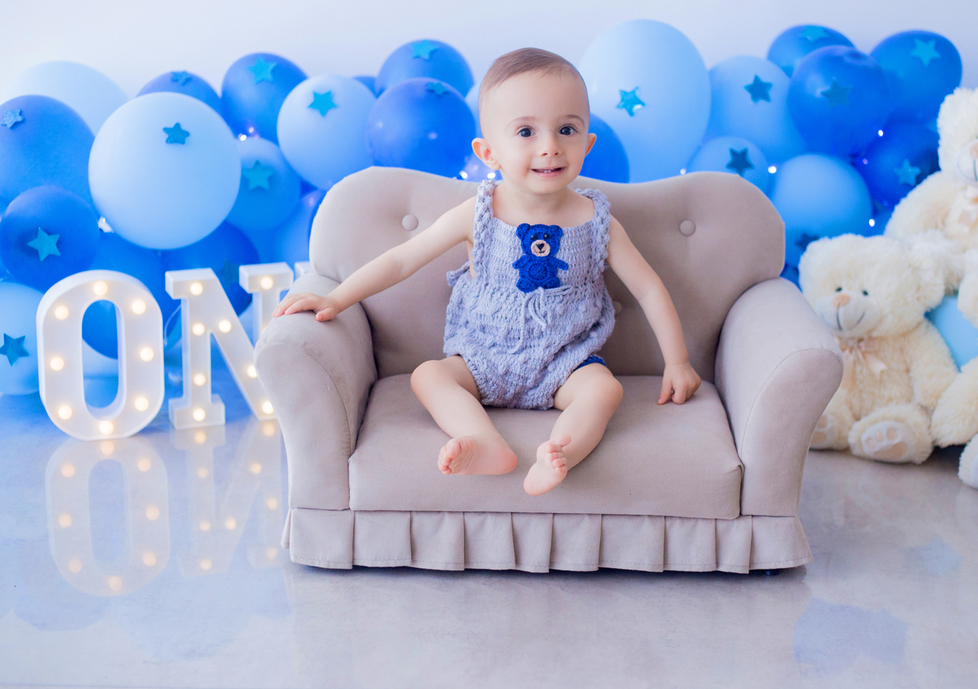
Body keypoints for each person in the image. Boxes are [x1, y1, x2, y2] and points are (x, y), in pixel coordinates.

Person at [272, 47, 700, 495]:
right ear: (488, 152)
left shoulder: (597, 222)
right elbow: (402, 259)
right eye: (526, 132)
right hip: (481, 359)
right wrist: (336, 298)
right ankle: (482, 440)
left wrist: (678, 362)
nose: (549, 145)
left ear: (587, 143)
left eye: (566, 129)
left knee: (604, 391)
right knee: (429, 376)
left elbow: (649, 289)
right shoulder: (478, 214)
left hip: (563, 363)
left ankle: (561, 454)